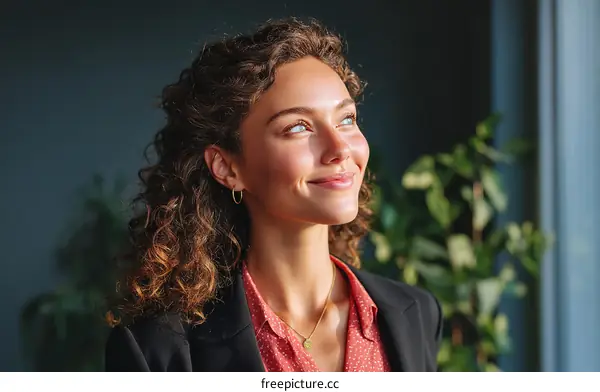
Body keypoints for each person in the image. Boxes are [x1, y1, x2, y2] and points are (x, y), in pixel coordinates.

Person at [104, 17, 443, 372]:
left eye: (346, 119)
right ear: (227, 168)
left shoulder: (417, 314)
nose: (339, 148)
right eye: (298, 127)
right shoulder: (156, 349)